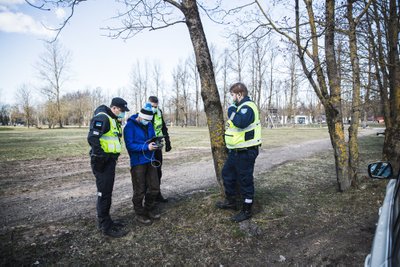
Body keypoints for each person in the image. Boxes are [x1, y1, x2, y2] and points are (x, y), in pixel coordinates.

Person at [216, 82, 262, 222]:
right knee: (227, 174)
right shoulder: (240, 107)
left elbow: (241, 122)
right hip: (236, 151)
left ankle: (247, 210)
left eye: (233, 95)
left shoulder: (248, 107)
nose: (232, 98)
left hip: (246, 152)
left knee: (245, 181)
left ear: (240, 94)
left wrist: (230, 110)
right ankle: (231, 202)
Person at [87, 97, 130, 238]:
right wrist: (102, 157)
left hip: (109, 161)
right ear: (114, 108)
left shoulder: (113, 119)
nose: (123, 113)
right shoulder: (103, 118)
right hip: (102, 162)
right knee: (104, 193)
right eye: (122, 110)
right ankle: (105, 226)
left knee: (107, 192)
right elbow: (92, 138)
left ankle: (108, 221)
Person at [124, 102, 161, 225]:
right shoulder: (129, 126)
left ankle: (149, 209)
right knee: (139, 189)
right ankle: (140, 213)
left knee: (154, 187)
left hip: (150, 159)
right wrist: (147, 147)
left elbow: (152, 137)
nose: (147, 122)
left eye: (149, 121)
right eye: (145, 120)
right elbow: (130, 146)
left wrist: (157, 143)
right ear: (140, 116)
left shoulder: (149, 124)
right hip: (138, 162)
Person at [148, 96, 172, 202]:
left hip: (158, 143)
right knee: (150, 171)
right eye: (153, 106)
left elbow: (163, 127)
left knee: (158, 170)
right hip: (148, 145)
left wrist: (168, 142)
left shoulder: (159, 112)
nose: (154, 108)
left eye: (156, 106)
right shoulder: (145, 112)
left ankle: (157, 194)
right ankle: (149, 197)